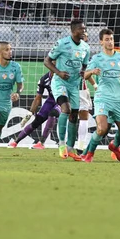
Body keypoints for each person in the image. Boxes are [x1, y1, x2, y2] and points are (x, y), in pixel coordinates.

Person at [43, 19, 91, 160]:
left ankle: (70, 149)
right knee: (66, 108)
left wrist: (83, 71)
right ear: (73, 30)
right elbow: (47, 61)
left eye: (84, 29)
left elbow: (84, 65)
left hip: (74, 85)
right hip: (60, 82)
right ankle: (62, 144)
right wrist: (58, 72)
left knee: (74, 114)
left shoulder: (85, 48)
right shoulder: (62, 43)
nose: (84, 31)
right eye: (81, 29)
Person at [79, 28, 120, 163]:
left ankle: (114, 146)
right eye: (107, 39)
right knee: (102, 129)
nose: (110, 42)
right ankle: (89, 154)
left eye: (111, 39)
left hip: (119, 99)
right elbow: (83, 75)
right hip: (103, 98)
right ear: (101, 42)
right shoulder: (97, 58)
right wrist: (92, 71)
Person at [8, 71, 60, 149]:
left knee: (53, 114)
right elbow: (38, 98)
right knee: (37, 120)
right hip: (51, 100)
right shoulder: (44, 79)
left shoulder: (63, 76)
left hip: (64, 101)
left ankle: (41, 143)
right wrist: (29, 114)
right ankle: (16, 142)